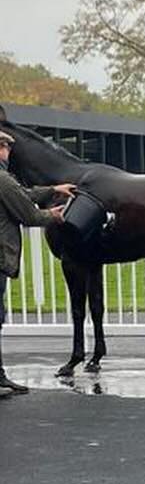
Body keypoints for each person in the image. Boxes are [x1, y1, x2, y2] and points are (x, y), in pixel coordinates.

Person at [0, 130, 76, 396]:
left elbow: (23, 194)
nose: (8, 154)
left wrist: (53, 189)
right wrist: (53, 215)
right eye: (6, 148)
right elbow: (27, 213)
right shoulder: (2, 179)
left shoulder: (5, 181)